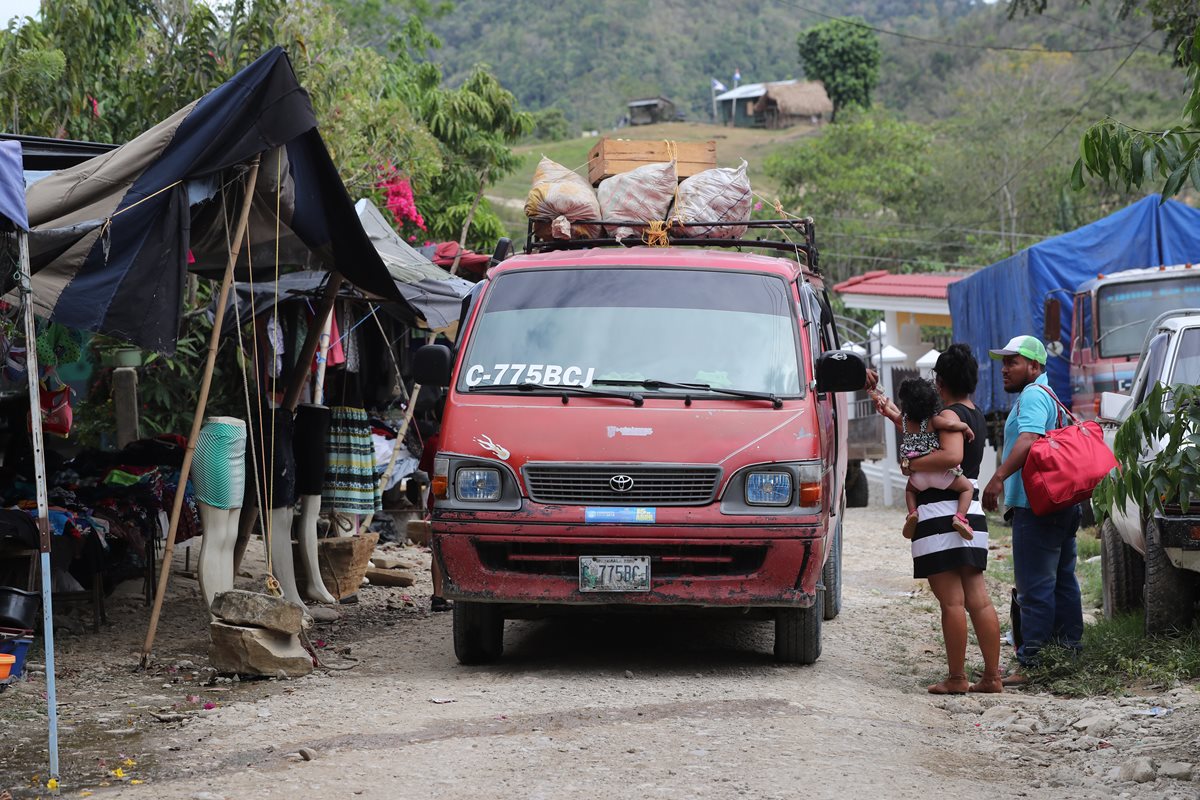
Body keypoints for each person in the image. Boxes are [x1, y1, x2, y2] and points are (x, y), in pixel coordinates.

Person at [874, 344, 1002, 694]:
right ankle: (992, 677)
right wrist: (893, 413)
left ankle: (958, 678)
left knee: (952, 602)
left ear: (940, 381)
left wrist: (910, 465)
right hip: (969, 509)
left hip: (938, 514)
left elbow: (948, 455)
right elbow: (918, 430)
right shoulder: (972, 415)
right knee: (979, 599)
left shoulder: (948, 415)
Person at [982, 335, 1083, 686]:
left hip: (1035, 505)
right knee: (1062, 581)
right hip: (1060, 504)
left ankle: (1033, 662)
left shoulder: (1034, 395)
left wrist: (997, 478)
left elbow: (1028, 439)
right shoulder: (1049, 394)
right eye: (1003, 362)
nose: (1004, 369)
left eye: (1013, 362)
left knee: (1035, 586)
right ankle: (1068, 651)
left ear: (1035, 366)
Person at [876, 377, 977, 541]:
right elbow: (950, 425)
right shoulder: (933, 420)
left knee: (909, 490)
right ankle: (960, 517)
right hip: (940, 473)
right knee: (967, 488)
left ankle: (912, 513)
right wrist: (965, 427)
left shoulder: (905, 421)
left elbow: (895, 416)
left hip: (917, 476)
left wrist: (887, 410)